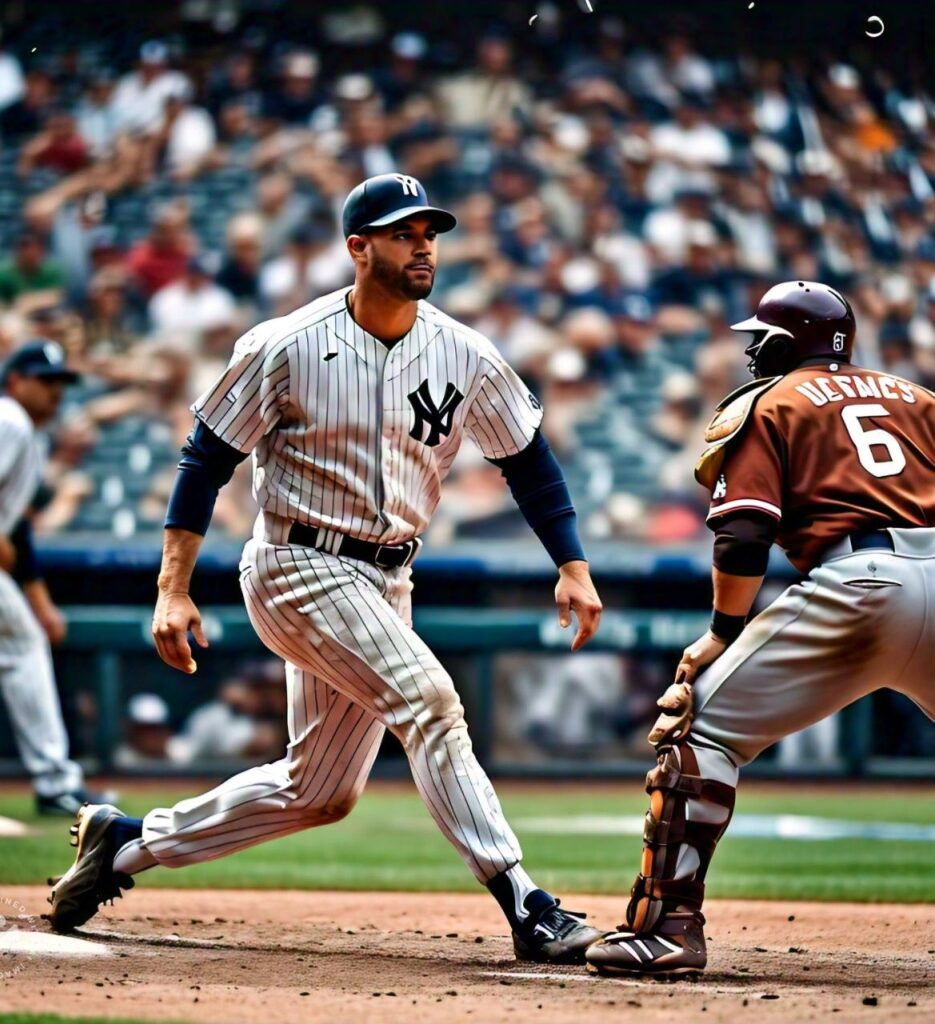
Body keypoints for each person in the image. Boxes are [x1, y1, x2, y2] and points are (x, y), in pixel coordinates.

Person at [46, 173, 607, 963]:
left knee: (320, 790)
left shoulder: (463, 351)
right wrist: (171, 588)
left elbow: (528, 459)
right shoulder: (283, 344)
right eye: (403, 231)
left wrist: (572, 565)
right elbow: (205, 460)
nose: (422, 244)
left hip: (386, 579)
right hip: (295, 563)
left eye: (429, 232)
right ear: (358, 247)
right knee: (430, 700)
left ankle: (127, 845)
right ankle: (526, 902)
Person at [586, 281, 935, 977]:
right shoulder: (918, 398)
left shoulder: (768, 401)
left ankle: (666, 928)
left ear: (785, 342)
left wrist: (721, 632)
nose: (751, 351)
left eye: (760, 339)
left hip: (860, 582)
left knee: (699, 731)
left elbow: (744, 534)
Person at [0, 341, 90, 815]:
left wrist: (40, 602)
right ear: (16, 380)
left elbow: (17, 530)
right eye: (44, 380)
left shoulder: (27, 434)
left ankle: (55, 781)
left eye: (61, 383)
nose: (55, 391)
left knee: (24, 639)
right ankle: (55, 783)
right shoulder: (10, 419)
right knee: (22, 645)